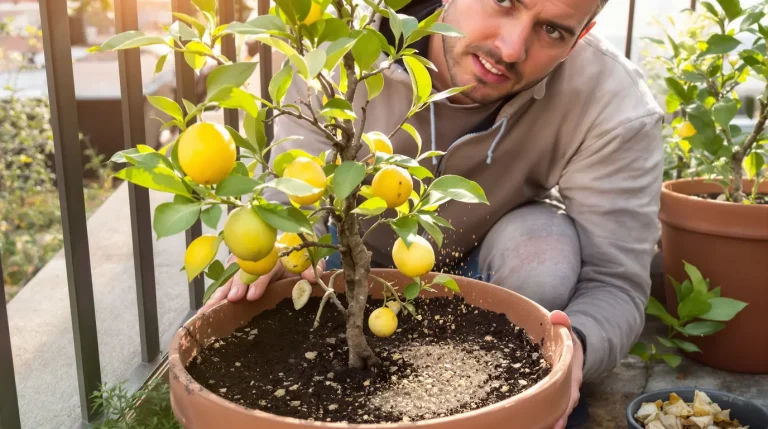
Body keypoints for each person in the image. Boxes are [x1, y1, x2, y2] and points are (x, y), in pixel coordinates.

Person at [203, 0, 664, 427]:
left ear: (582, 35)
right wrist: (279, 254)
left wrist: (578, 345)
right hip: (344, 263)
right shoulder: (341, 44)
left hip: (487, 259)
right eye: (505, 0)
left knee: (544, 260)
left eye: (552, 31)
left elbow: (614, 281)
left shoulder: (613, 104)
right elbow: (295, 198)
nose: (511, 48)